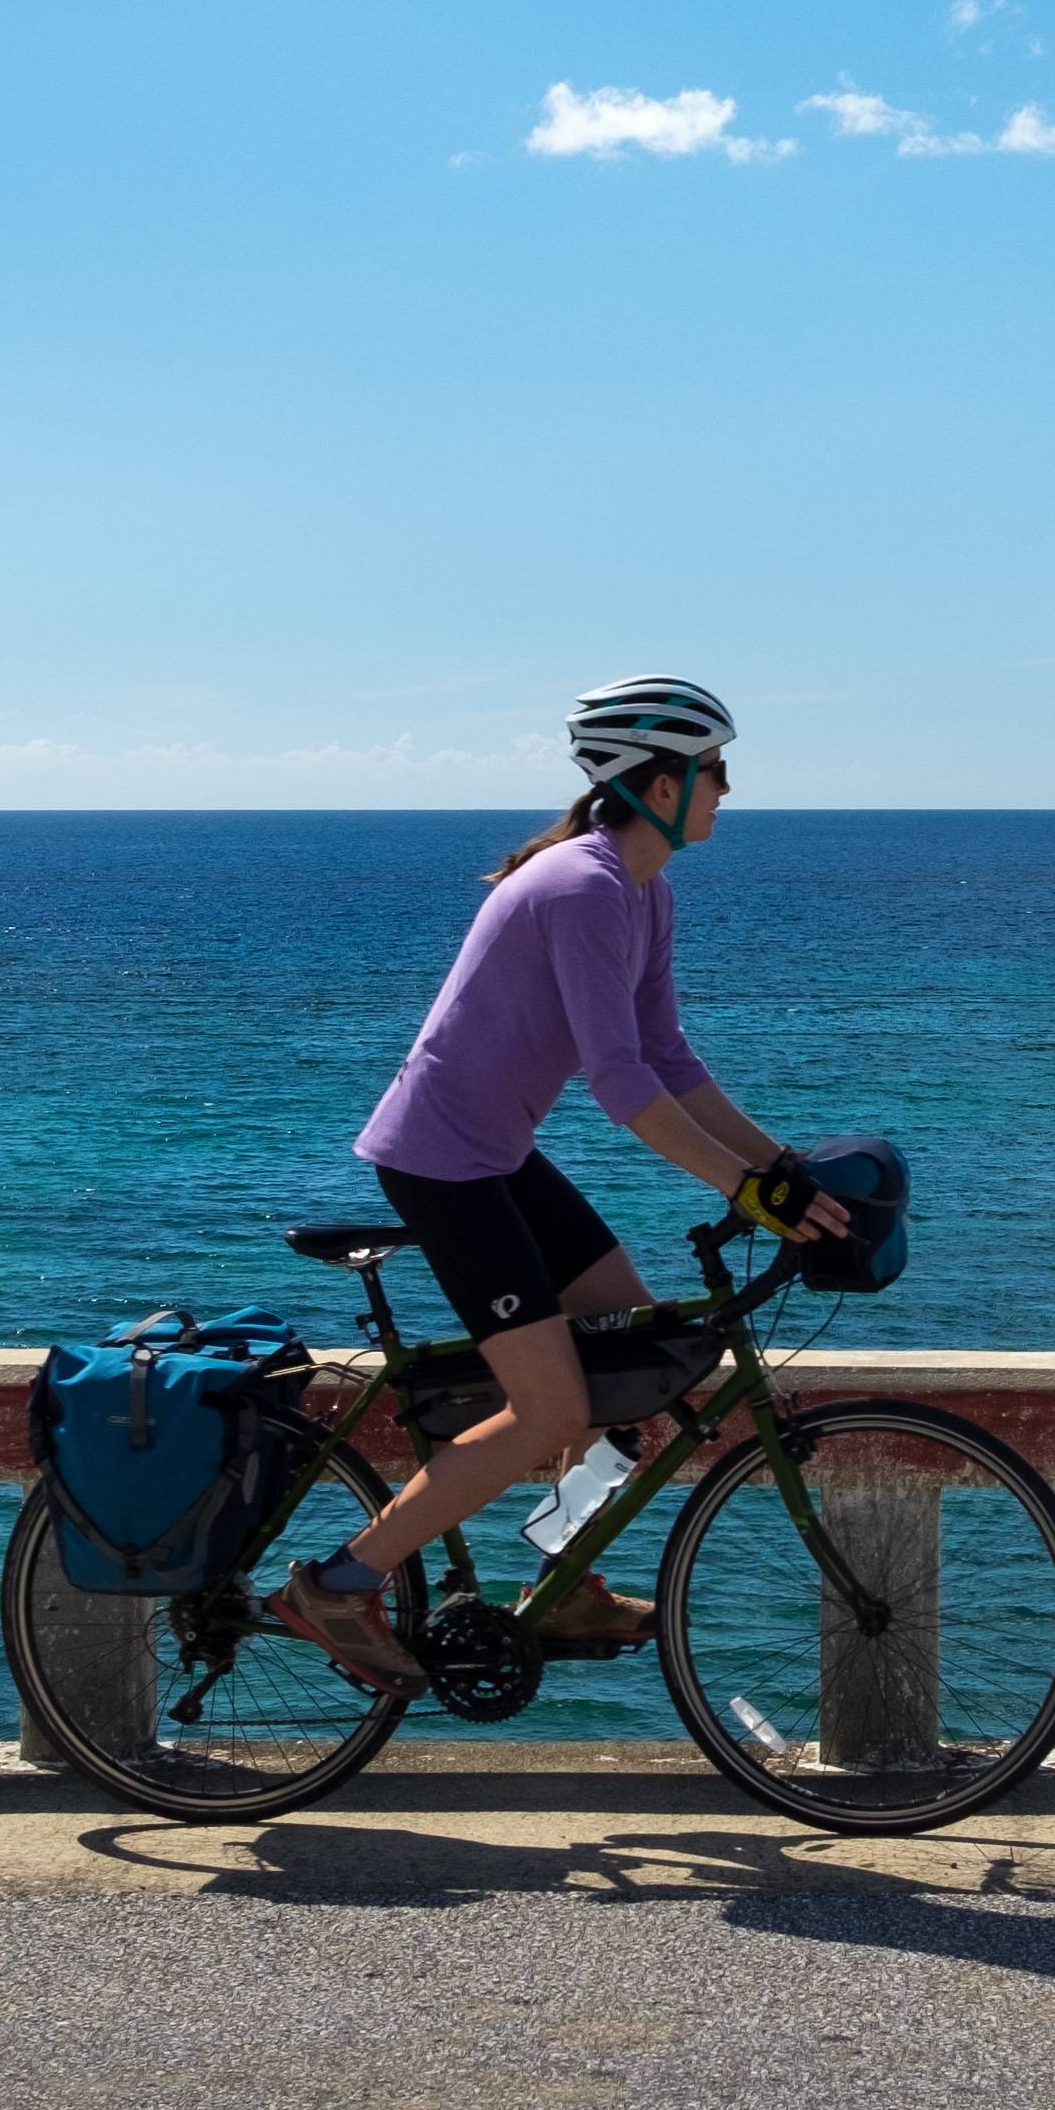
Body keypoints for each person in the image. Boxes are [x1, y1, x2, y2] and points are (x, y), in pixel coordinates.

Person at [268, 674, 852, 1694]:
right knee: (546, 1412)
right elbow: (620, 1083)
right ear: (658, 782)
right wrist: (748, 1191)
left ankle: (564, 1571)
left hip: (494, 1151)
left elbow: (667, 1053)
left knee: (640, 1348)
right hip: (443, 1160)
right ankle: (338, 1580)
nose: (727, 785)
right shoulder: (581, 886)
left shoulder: (642, 888)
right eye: (713, 768)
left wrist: (778, 1164)